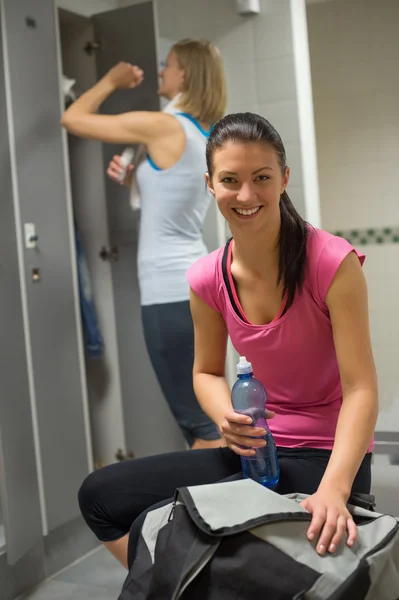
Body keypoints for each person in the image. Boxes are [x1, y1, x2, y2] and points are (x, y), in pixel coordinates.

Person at [78, 112, 378, 570]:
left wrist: (334, 491)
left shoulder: (332, 263)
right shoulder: (205, 277)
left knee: (260, 565)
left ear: (284, 179)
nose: (246, 194)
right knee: (100, 496)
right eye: (230, 180)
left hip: (330, 455)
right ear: (210, 184)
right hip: (256, 453)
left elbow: (361, 389)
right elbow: (206, 372)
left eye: (261, 178)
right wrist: (227, 417)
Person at [61, 39, 227, 449]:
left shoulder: (163, 126)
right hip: (192, 288)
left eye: (167, 65)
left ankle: (228, 511)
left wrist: (111, 81)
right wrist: (135, 178)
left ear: (184, 73)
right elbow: (175, 200)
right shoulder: (201, 134)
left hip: (169, 295)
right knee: (208, 418)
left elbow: (73, 118)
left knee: (201, 428)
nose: (161, 71)